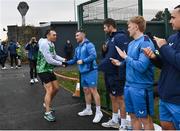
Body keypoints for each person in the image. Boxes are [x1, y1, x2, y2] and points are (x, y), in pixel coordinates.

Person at [111, 16, 155, 130]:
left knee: (145, 119)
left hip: (141, 88)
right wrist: (120, 63)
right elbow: (130, 62)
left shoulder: (146, 43)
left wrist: (125, 57)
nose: (128, 29)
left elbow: (141, 66)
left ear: (136, 27)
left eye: (129, 27)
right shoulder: (131, 44)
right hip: (129, 86)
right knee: (133, 117)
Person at [143, 5, 180, 130]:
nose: (170, 21)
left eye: (173, 17)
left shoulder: (166, 42)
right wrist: (153, 57)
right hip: (165, 95)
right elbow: (165, 64)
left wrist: (163, 47)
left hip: (177, 100)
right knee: (166, 125)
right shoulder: (173, 38)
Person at [64, 30, 103, 123]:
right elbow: (74, 59)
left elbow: (94, 55)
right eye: (75, 35)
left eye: (77, 35)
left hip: (91, 71)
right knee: (86, 90)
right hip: (83, 73)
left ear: (83, 35)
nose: (76, 37)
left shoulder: (89, 45)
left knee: (94, 90)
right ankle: (88, 109)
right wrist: (65, 63)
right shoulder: (77, 48)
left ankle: (99, 112)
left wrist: (83, 61)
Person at [98, 18, 129, 129]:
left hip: (117, 73)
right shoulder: (109, 39)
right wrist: (104, 49)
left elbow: (124, 56)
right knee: (112, 96)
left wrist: (98, 67)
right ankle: (115, 120)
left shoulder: (120, 37)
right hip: (109, 73)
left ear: (110, 26)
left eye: (105, 27)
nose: (104, 30)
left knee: (120, 98)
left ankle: (124, 124)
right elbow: (107, 55)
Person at [36, 29, 66, 122]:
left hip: (49, 69)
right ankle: (47, 113)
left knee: (56, 88)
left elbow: (55, 56)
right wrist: (61, 64)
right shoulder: (44, 44)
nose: (56, 36)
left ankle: (46, 103)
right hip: (42, 69)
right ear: (48, 35)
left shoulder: (51, 44)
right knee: (49, 89)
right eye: (54, 35)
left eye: (56, 35)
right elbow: (49, 60)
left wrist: (64, 60)